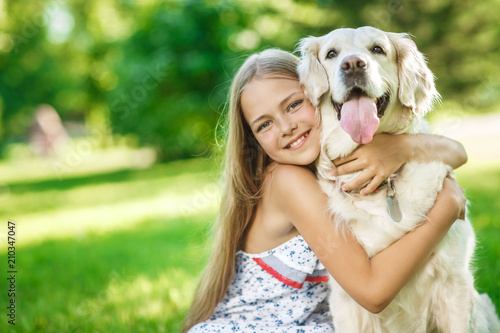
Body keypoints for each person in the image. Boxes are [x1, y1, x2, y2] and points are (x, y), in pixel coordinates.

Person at [182, 49, 467, 332]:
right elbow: (373, 292)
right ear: (254, 140)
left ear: (322, 91)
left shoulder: (334, 164)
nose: (286, 127)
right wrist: (447, 207)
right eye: (264, 124)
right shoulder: (287, 180)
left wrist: (403, 147)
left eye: (293, 105)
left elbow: (457, 153)